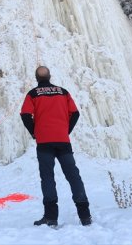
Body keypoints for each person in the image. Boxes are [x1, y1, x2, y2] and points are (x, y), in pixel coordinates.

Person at [20, 66, 91, 228]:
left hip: (44, 142)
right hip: (62, 140)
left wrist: (34, 132)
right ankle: (85, 216)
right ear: (50, 76)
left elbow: (25, 114)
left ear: (36, 78)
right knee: (73, 176)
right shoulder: (63, 91)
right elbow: (75, 113)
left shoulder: (32, 94)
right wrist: (66, 130)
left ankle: (51, 217)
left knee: (47, 177)